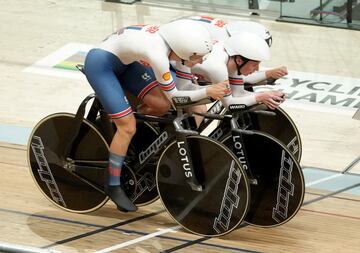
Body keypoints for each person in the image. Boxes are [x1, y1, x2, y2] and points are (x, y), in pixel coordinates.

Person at [83, 20, 228, 212]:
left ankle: (128, 129)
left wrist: (205, 91)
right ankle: (113, 183)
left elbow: (171, 98)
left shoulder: (170, 41)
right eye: (197, 57)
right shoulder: (158, 54)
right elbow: (177, 98)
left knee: (161, 104)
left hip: (125, 63)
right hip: (101, 65)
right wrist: (207, 92)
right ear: (184, 51)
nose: (200, 62)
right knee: (128, 127)